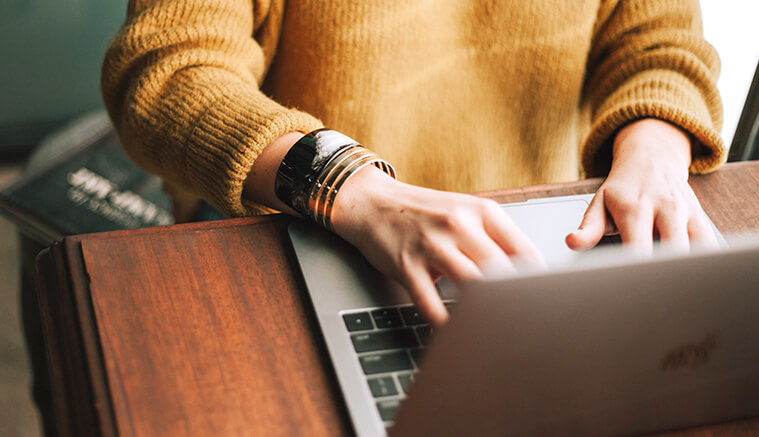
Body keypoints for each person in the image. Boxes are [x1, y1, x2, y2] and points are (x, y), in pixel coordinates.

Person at [102, 0, 725, 327]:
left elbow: (661, 45)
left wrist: (656, 146)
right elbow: (167, 72)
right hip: (300, 232)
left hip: (534, 252)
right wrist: (348, 185)